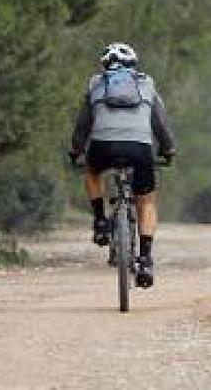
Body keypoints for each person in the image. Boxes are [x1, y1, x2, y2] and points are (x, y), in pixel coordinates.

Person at [69, 42, 175, 288]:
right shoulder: (147, 84)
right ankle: (146, 259)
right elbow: (160, 123)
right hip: (139, 148)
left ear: (105, 65)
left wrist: (76, 150)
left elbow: (82, 125)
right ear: (133, 65)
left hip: (103, 145)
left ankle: (100, 223)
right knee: (146, 200)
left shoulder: (96, 83)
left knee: (92, 172)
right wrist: (168, 149)